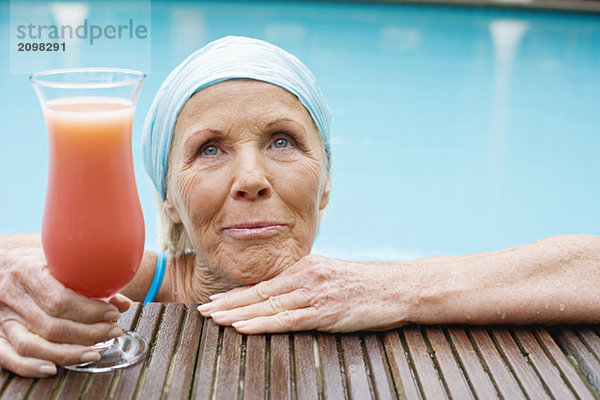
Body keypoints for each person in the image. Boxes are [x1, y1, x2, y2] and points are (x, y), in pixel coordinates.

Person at [1, 36, 598, 378]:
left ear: (327, 185)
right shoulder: (127, 277)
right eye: (209, 150)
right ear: (170, 201)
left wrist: (398, 290)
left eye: (282, 141)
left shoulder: (369, 286)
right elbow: (20, 264)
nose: (252, 179)